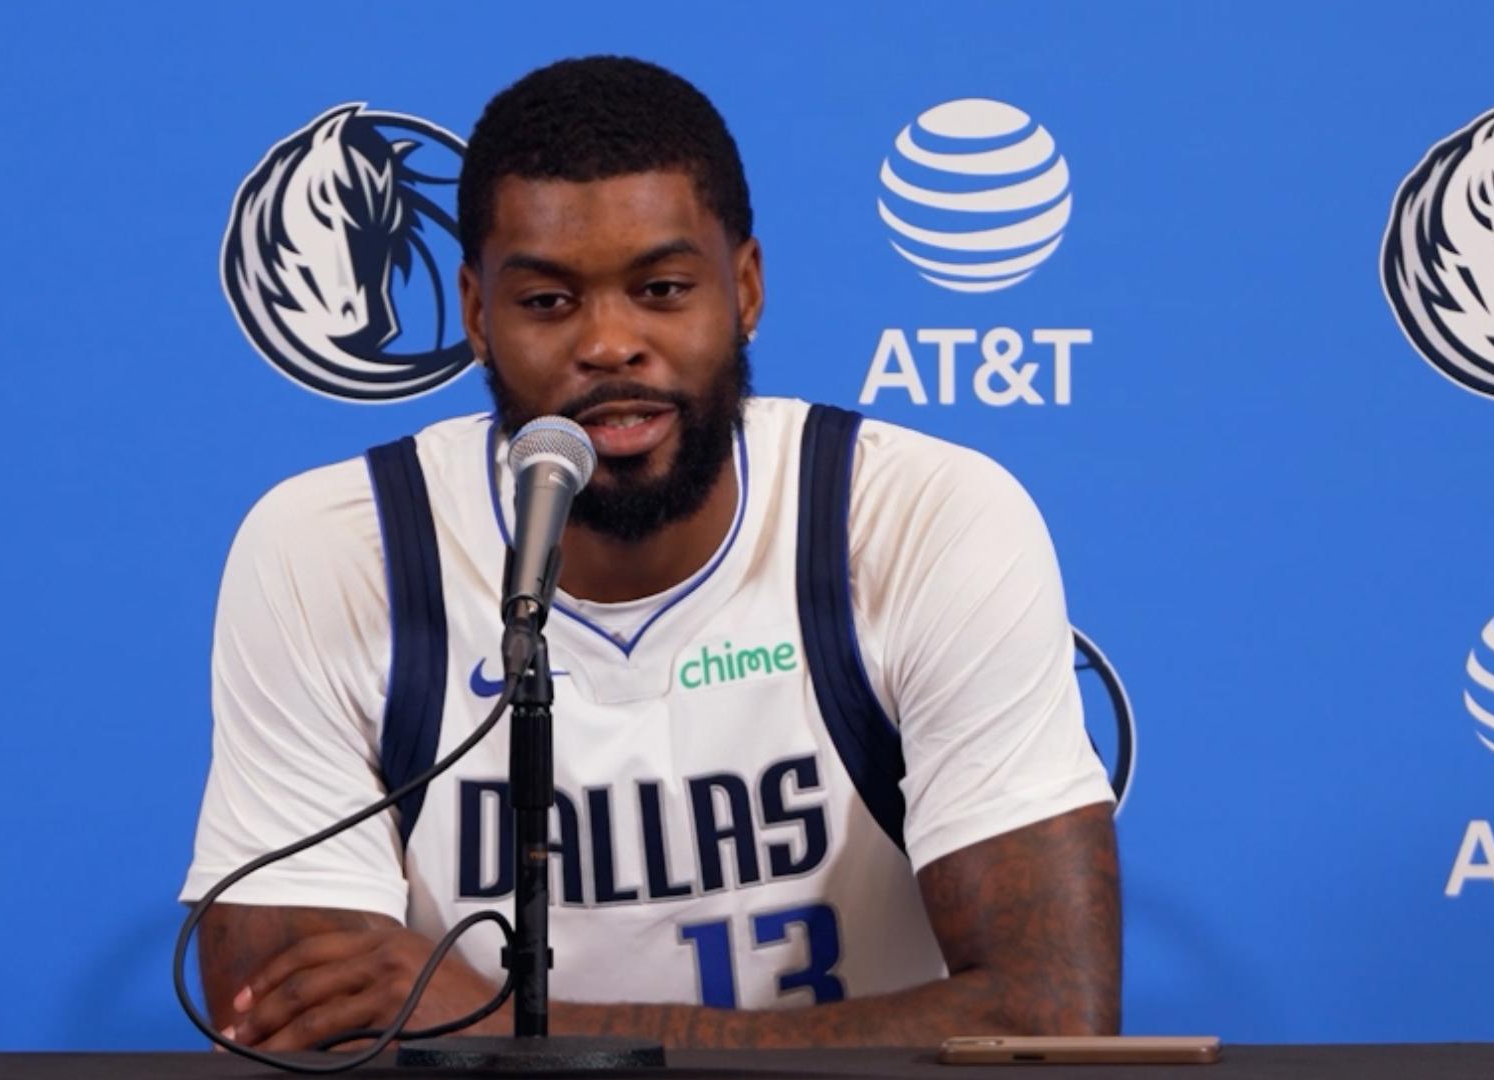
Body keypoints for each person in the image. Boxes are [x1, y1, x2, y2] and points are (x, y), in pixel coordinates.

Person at [181, 55, 1120, 1051]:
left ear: (745, 289)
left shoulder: (916, 517)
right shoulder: (338, 547)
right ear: (474, 314)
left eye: (663, 288)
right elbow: (283, 1023)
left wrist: (503, 1024)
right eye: (547, 302)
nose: (611, 343)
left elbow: (1051, 1019)